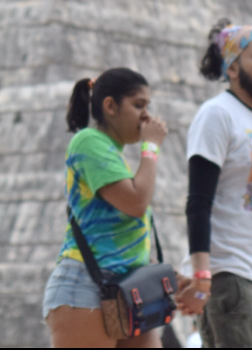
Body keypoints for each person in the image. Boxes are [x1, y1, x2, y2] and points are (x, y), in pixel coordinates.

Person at [42, 68, 173, 349]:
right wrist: (150, 147)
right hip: (86, 289)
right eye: (138, 105)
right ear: (110, 106)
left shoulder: (113, 153)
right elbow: (136, 203)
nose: (146, 116)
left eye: (148, 106)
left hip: (128, 289)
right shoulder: (89, 143)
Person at [181, 20, 252, 348]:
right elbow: (198, 201)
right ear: (234, 68)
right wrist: (201, 275)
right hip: (230, 279)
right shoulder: (216, 115)